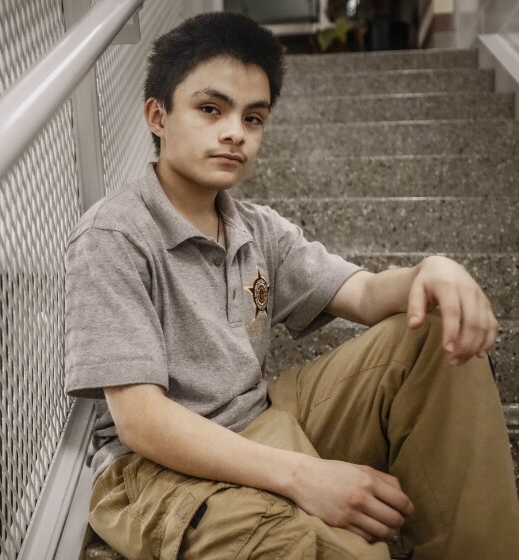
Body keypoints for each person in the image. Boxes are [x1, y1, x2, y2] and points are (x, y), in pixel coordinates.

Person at [63, 11, 519, 560]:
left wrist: (436, 269)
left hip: (261, 417)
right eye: (211, 109)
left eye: (253, 118)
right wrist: (305, 476)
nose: (235, 132)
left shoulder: (256, 228)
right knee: (339, 551)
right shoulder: (116, 232)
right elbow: (140, 421)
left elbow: (368, 295)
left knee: (436, 333)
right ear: (157, 116)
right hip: (157, 473)